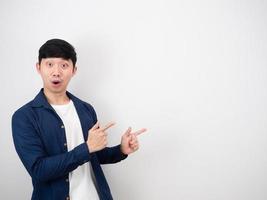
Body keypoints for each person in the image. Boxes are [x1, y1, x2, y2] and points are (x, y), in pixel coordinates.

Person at [12, 39, 147, 200]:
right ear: (38, 67)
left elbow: (97, 155)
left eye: (64, 65)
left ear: (74, 70)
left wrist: (121, 150)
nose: (56, 72)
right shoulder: (24, 116)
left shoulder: (86, 109)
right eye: (49, 64)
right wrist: (87, 148)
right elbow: (39, 170)